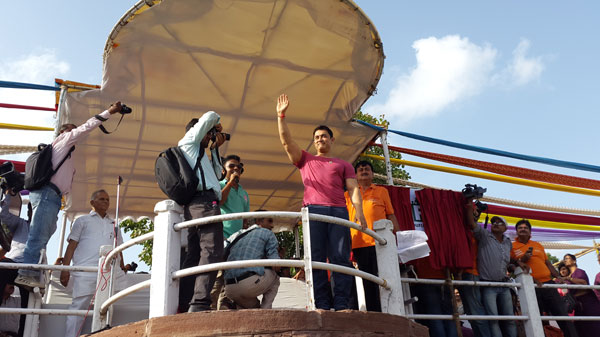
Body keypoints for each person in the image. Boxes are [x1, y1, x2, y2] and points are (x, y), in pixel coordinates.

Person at [15, 102, 123, 290]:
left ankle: (32, 272)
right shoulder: (64, 140)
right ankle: (26, 273)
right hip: (48, 194)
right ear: (63, 133)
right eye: (72, 130)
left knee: (42, 236)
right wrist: (110, 112)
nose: (76, 133)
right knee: (38, 236)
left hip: (52, 197)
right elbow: (86, 127)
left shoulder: (65, 154)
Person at [276, 93, 367, 310]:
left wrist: (360, 213)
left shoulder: (343, 164)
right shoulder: (306, 159)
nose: (319, 139)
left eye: (324, 136)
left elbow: (353, 188)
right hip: (313, 211)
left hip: (338, 211)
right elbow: (287, 143)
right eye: (316, 137)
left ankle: (342, 303)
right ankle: (322, 304)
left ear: (331, 139)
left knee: (340, 259)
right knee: (315, 259)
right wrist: (281, 116)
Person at [56, 189, 125, 337]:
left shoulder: (114, 224)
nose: (105, 202)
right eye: (101, 199)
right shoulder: (82, 221)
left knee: (107, 307)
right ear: (92, 202)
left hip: (109, 272)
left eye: (107, 199)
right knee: (79, 308)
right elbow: (71, 246)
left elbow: (119, 249)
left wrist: (122, 267)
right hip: (85, 271)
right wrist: (65, 269)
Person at [177, 111, 227, 313]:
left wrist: (215, 150)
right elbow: (210, 115)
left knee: (196, 253)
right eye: (208, 134)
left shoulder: (197, 153)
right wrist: (216, 124)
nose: (210, 137)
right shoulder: (189, 141)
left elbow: (216, 175)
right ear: (199, 131)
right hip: (203, 203)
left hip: (202, 203)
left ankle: (186, 301)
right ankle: (199, 303)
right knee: (212, 249)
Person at [344, 160, 399, 312]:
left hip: (381, 244)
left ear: (373, 174)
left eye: (367, 168)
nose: (363, 170)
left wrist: (397, 239)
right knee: (368, 282)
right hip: (358, 245)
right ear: (355, 175)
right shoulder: (348, 194)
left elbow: (391, 215)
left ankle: (388, 313)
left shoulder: (382, 191)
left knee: (385, 280)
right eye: (360, 169)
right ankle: (375, 315)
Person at [511, 219, 578, 337]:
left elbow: (548, 263)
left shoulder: (538, 245)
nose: (523, 229)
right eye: (520, 228)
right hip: (530, 287)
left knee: (562, 315)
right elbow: (511, 265)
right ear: (516, 231)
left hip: (548, 284)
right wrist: (523, 259)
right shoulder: (512, 246)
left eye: (525, 228)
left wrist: (558, 276)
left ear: (530, 232)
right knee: (537, 319)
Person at [465, 209, 516, 337]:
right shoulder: (484, 235)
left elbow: (506, 261)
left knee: (510, 319)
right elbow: (471, 223)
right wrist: (469, 205)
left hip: (504, 285)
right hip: (488, 285)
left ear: (505, 228)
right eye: (494, 222)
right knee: (493, 320)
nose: (495, 224)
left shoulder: (508, 242)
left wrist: (514, 266)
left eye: (499, 223)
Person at [211, 154, 249, 309]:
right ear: (223, 170)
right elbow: (220, 201)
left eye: (238, 167)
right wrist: (230, 182)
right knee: (218, 274)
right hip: (221, 236)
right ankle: (209, 308)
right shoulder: (218, 185)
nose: (236, 169)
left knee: (231, 275)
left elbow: (246, 219)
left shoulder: (244, 193)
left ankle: (223, 308)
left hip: (237, 240)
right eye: (231, 166)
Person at [223, 211, 280, 309]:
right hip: (249, 285)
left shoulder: (237, 234)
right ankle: (266, 312)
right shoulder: (268, 233)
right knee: (276, 277)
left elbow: (222, 252)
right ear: (259, 221)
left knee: (254, 308)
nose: (272, 225)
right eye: (269, 221)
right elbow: (276, 264)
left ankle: (234, 306)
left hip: (229, 288)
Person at [0, 190, 32, 337]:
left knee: (28, 303)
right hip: (14, 262)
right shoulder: (21, 224)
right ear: (30, 211)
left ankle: (22, 334)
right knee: (2, 268)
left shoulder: (47, 228)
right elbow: (3, 215)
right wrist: (8, 193)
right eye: (33, 209)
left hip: (32, 269)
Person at [459, 202, 491, 337]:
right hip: (465, 274)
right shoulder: (462, 229)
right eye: (473, 210)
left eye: (477, 211)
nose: (475, 213)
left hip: (472, 273)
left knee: (476, 312)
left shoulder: (479, 231)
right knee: (472, 313)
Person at [560, 254, 600, 336]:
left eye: (567, 258)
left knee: (594, 328)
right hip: (578, 306)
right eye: (564, 259)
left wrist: (569, 279)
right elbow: (565, 292)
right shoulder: (569, 276)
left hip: (588, 304)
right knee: (581, 330)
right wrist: (561, 283)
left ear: (574, 261)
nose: (565, 260)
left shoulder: (579, 272)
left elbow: (584, 283)